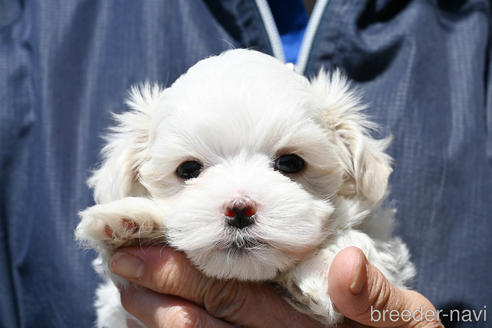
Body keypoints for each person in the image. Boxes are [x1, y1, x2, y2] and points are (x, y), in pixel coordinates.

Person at [0, 1, 490, 327]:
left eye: (290, 164)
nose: (239, 202)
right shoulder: (26, 23)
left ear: (353, 166)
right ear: (132, 175)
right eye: (190, 171)